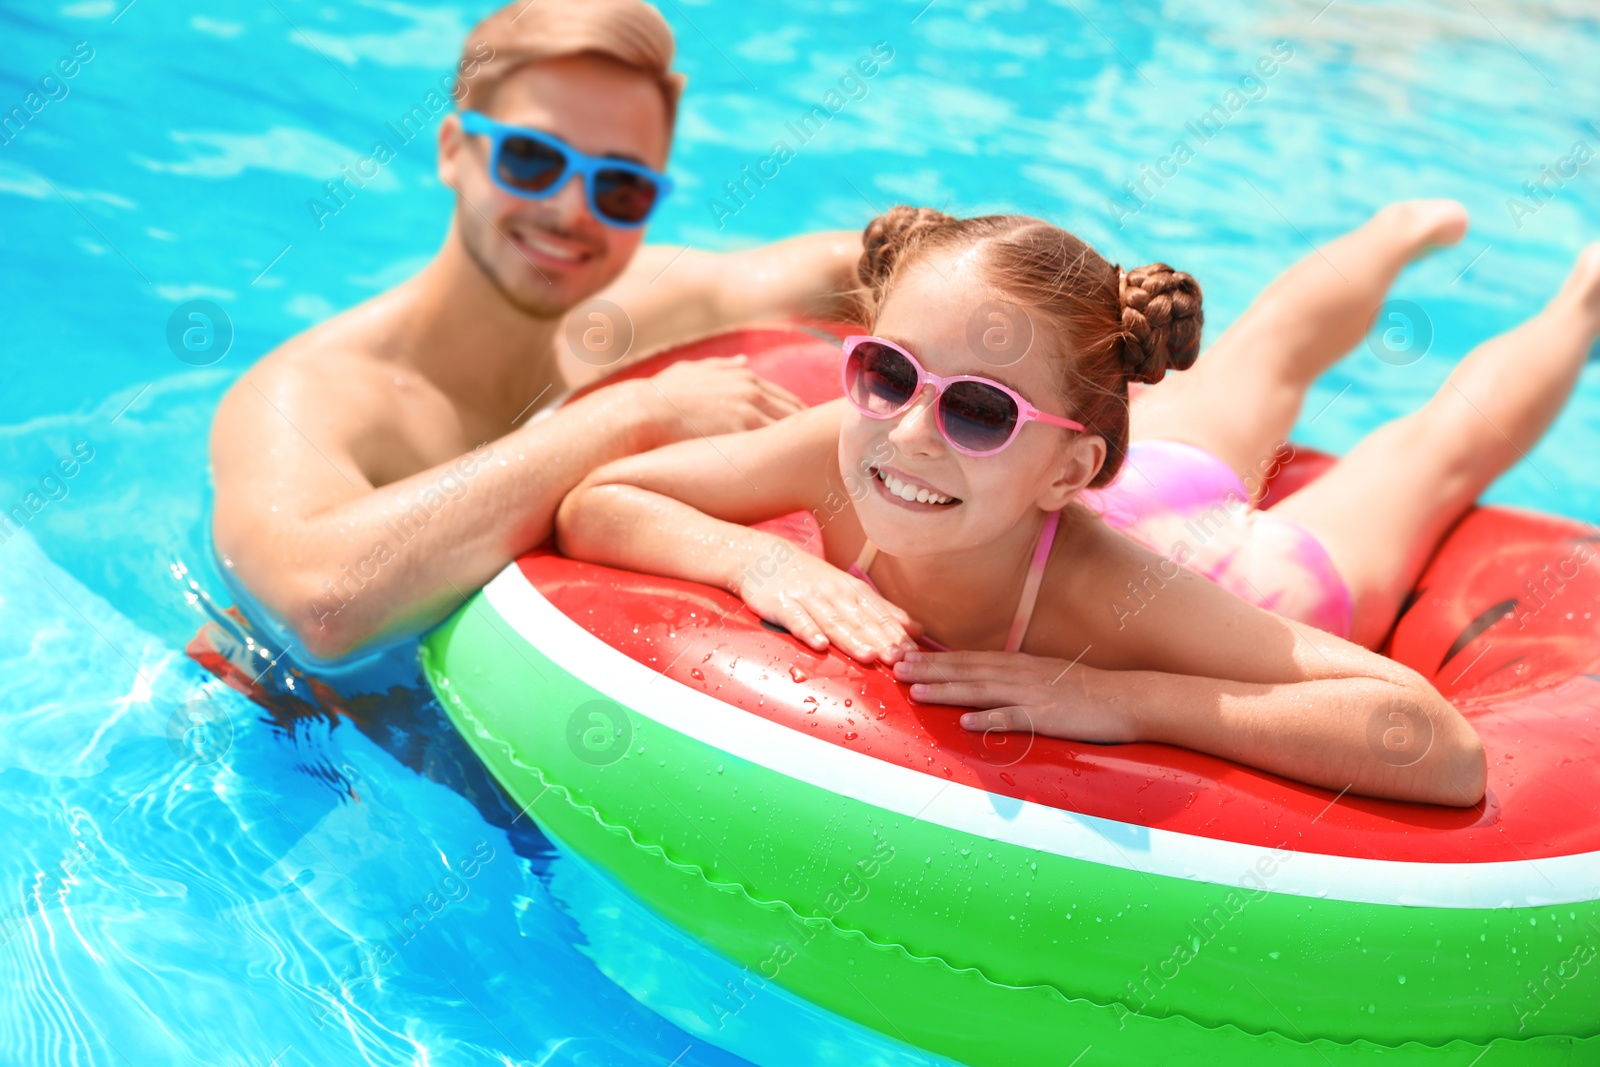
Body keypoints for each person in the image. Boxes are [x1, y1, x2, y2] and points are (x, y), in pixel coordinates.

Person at [554, 202, 1600, 805]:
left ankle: (1583, 297)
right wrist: (760, 561)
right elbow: (603, 499)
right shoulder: (847, 450)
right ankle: (1387, 238)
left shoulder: (1108, 591)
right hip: (1132, 471)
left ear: (1067, 466)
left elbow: (1437, 744)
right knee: (1263, 354)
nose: (910, 430)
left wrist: (1128, 696)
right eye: (885, 370)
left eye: (975, 406)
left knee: (1431, 449)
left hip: (1245, 568)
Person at [208, 0, 863, 664]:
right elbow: (321, 607)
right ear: (453, 151)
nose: (569, 211)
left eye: (620, 189)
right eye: (531, 159)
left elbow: (865, 264)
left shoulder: (644, 309)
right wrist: (635, 411)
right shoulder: (309, 395)